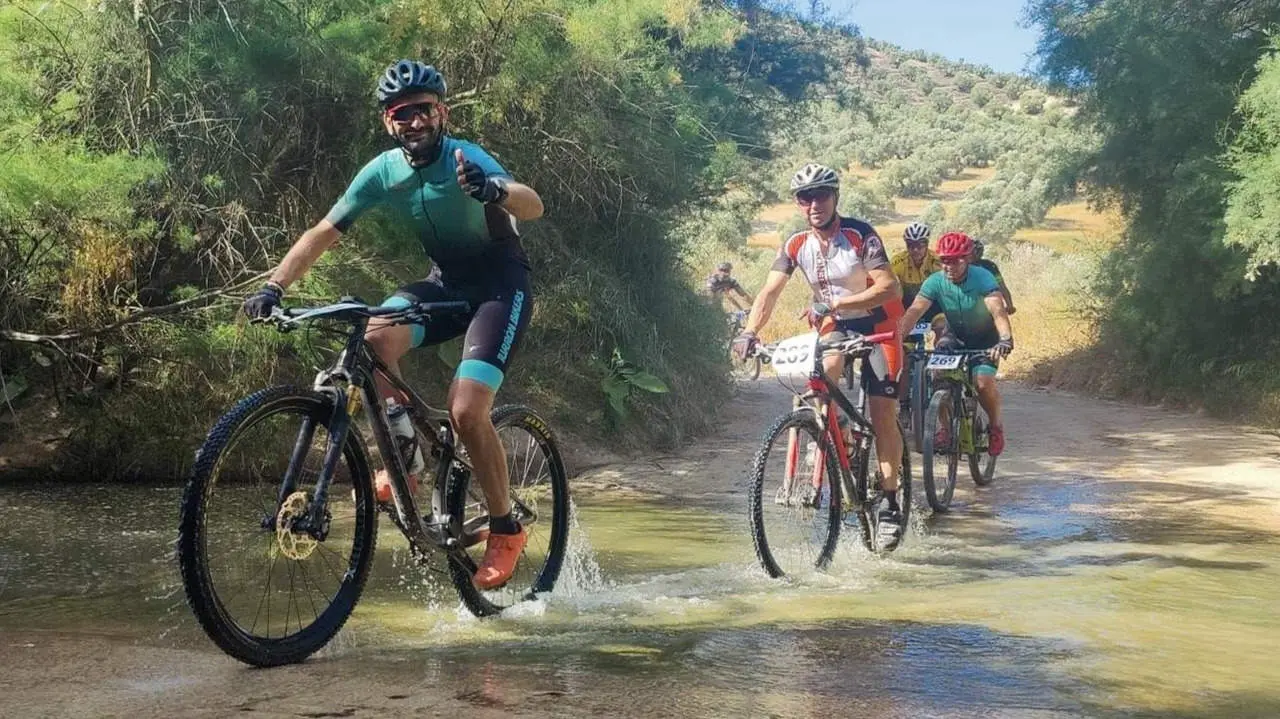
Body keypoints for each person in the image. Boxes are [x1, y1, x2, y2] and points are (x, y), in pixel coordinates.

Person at [240, 60, 544, 590]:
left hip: (500, 285)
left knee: (468, 409)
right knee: (374, 338)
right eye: (402, 113)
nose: (414, 120)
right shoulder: (382, 172)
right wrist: (275, 286)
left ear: (441, 113)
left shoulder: (464, 158)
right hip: (445, 282)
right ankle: (405, 459)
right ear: (389, 122)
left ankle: (504, 527)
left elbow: (533, 204)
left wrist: (494, 189)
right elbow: (321, 233)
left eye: (423, 109)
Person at [733, 163, 908, 548]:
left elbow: (889, 288)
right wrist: (750, 331)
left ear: (835, 198)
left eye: (821, 195)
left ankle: (891, 502)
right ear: (798, 204)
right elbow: (770, 291)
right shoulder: (796, 244)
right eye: (804, 197)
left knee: (882, 414)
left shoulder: (860, 234)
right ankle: (834, 431)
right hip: (837, 323)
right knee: (821, 376)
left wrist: (839, 303)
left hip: (880, 325)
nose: (814, 204)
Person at [898, 232, 1014, 456]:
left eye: (955, 260)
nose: (948, 266)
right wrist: (898, 336)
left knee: (982, 383)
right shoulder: (935, 281)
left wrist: (1005, 338)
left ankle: (996, 426)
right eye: (944, 260)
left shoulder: (982, 277)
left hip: (985, 338)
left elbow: (998, 311)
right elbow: (915, 311)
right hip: (955, 335)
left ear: (967, 258)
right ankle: (946, 428)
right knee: (939, 375)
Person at [890, 221, 942, 315]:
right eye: (911, 245)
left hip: (933, 306)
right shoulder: (897, 262)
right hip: (907, 306)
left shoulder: (938, 261)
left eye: (919, 245)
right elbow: (893, 293)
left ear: (926, 244)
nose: (915, 250)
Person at [971, 239, 1016, 315]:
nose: (977, 254)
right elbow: (1001, 285)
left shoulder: (990, 265)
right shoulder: (962, 266)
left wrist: (1009, 305)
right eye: (975, 251)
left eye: (979, 251)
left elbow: (1001, 285)